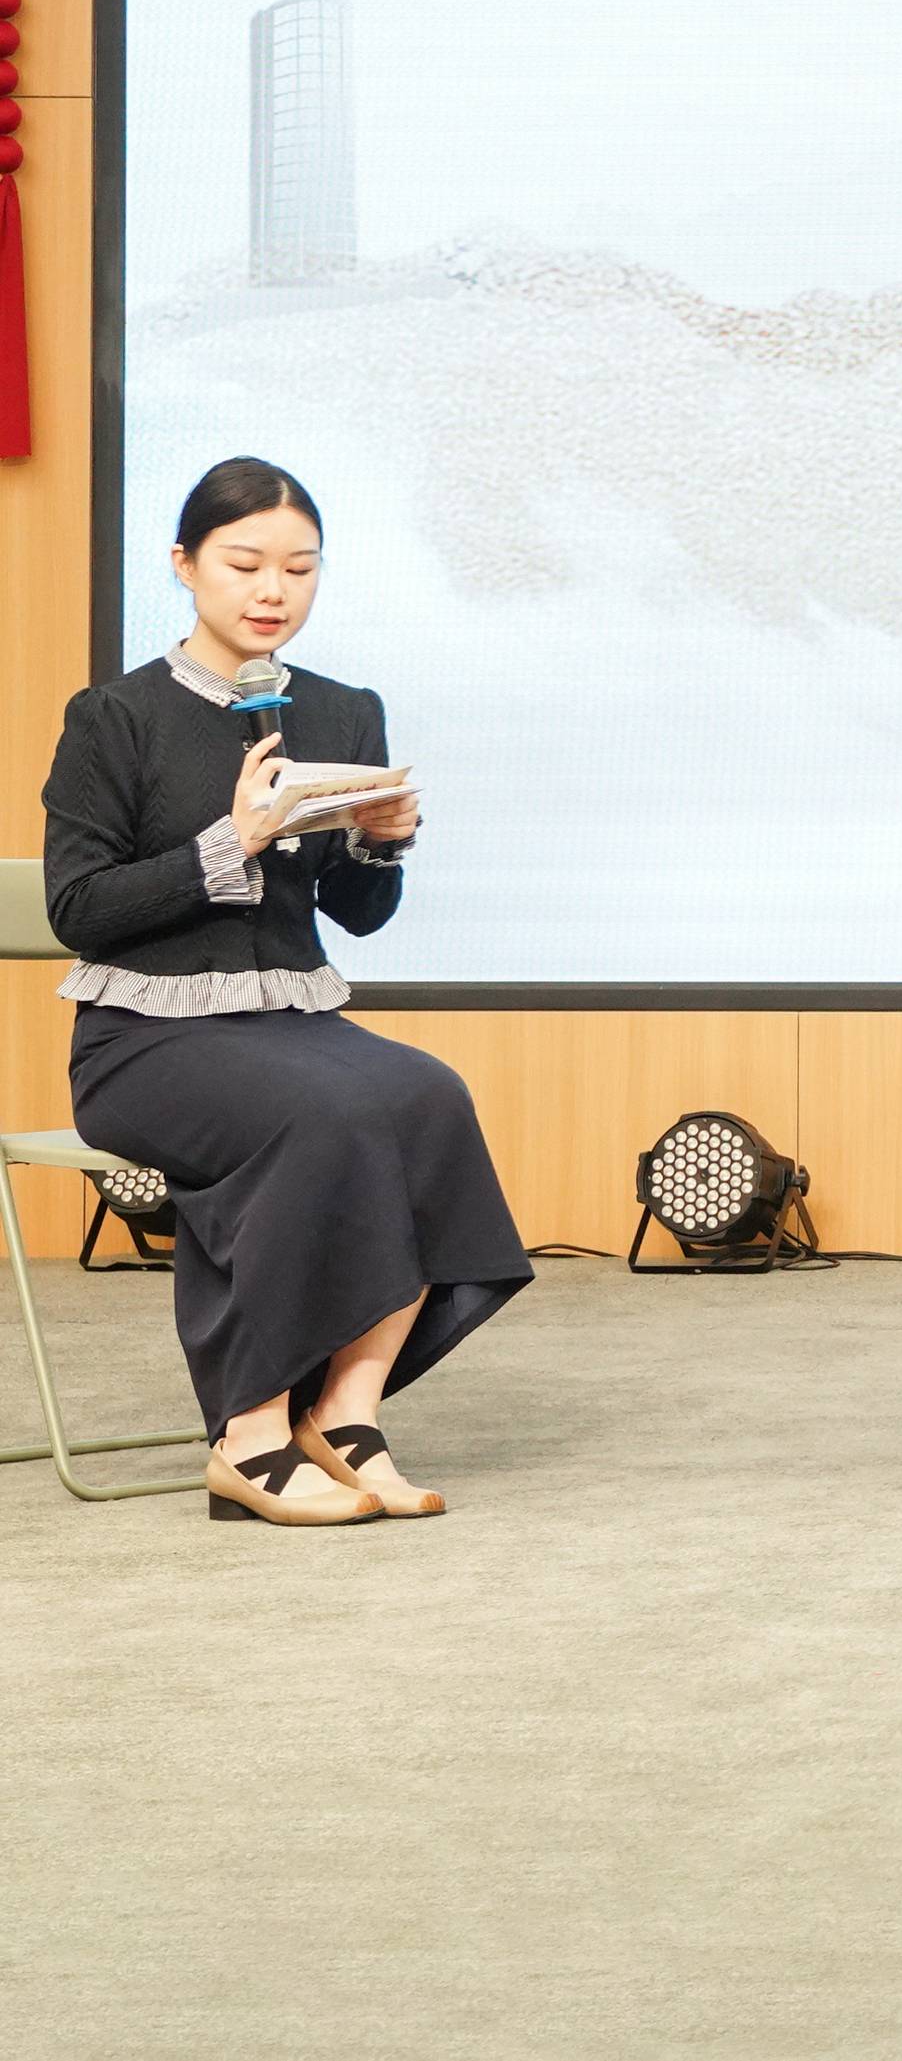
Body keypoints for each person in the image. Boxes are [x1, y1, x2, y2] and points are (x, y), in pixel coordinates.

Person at [42, 458, 522, 1528]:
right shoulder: (115, 716)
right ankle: (249, 1431)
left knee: (426, 1095)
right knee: (318, 1112)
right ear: (184, 564)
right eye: (245, 563)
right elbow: (78, 906)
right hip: (142, 1036)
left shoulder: (345, 711)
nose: (273, 589)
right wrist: (233, 841)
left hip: (289, 1020)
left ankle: (347, 1413)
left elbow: (358, 913)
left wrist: (381, 844)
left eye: (299, 568)